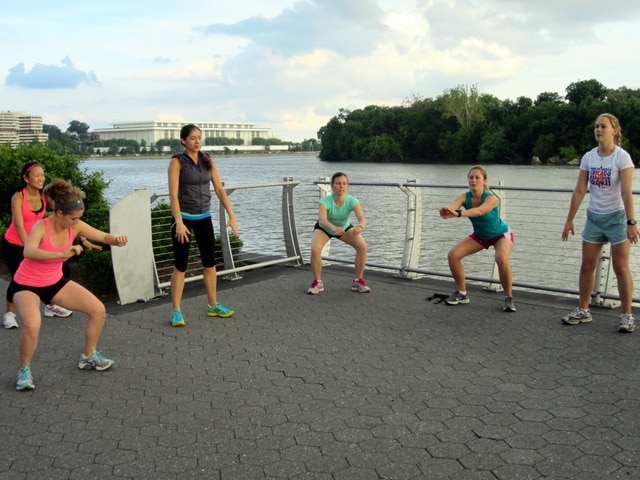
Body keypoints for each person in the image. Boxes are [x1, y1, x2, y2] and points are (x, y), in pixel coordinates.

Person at [11, 179, 128, 391]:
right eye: (73, 218)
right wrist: (61, 254)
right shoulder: (41, 226)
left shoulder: (75, 226)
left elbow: (102, 236)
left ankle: (88, 356)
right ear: (59, 214)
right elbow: (28, 251)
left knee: (98, 310)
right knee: (33, 325)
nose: (76, 223)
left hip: (54, 282)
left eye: (78, 218)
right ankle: (24, 370)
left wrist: (116, 240)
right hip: (27, 284)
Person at [561, 113, 637, 333]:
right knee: (587, 265)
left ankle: (627, 316)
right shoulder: (589, 157)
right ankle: (583, 310)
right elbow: (579, 190)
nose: (598, 130)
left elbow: (626, 191)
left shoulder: (622, 157)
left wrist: (631, 222)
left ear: (614, 130)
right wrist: (569, 220)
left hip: (617, 218)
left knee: (620, 267)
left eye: (603, 126)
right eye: (596, 126)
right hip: (594, 217)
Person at [168, 124, 238, 327]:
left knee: (210, 263)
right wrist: (179, 222)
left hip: (204, 217)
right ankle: (176, 311)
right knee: (181, 265)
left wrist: (232, 216)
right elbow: (173, 194)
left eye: (199, 137)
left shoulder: (207, 160)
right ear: (183, 141)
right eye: (192, 138)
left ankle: (213, 305)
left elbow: (219, 190)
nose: (197, 141)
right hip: (184, 219)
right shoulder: (176, 162)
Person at [3, 162, 73, 330]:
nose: (41, 178)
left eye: (43, 175)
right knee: (18, 279)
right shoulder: (18, 197)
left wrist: (83, 237)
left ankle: (50, 306)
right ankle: (9, 315)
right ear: (26, 178)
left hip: (35, 244)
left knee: (64, 268)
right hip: (15, 243)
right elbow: (19, 225)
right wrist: (29, 249)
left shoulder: (44, 196)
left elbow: (61, 212)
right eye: (37, 175)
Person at [439, 165, 516, 312]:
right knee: (453, 255)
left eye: (477, 178)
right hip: (481, 236)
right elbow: (453, 207)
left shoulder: (491, 198)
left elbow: (480, 211)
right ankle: (462, 294)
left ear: (484, 181)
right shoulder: (464, 197)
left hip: (501, 235)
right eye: (471, 177)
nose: (473, 180)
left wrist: (459, 213)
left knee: (501, 258)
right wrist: (447, 211)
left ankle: (509, 297)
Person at [307, 172, 370, 294]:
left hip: (344, 228)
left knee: (362, 246)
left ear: (347, 186)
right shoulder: (324, 201)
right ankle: (317, 283)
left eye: (344, 183)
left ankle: (358, 281)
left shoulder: (352, 201)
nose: (341, 186)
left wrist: (360, 227)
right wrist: (334, 228)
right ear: (332, 186)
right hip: (324, 228)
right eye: (338, 183)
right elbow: (322, 219)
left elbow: (362, 218)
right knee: (315, 249)